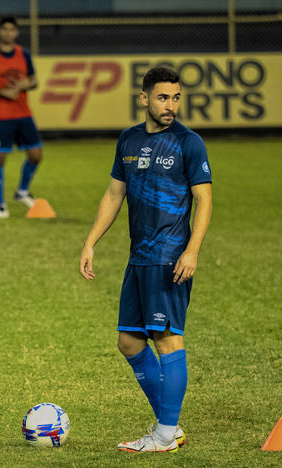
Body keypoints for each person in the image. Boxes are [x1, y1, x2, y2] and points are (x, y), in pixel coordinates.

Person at [79, 67, 213, 453]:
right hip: (138, 258)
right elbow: (113, 195)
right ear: (144, 98)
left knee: (167, 340)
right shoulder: (129, 140)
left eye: (175, 98)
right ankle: (169, 426)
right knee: (129, 342)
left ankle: (165, 434)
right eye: (162, 98)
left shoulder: (189, 143)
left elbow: (203, 199)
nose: (170, 105)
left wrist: (192, 250)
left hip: (169, 257)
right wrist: (91, 242)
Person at [0, 16, 43, 219]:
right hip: (2, 115)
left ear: (16, 32)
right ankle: (0, 205)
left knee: (36, 155)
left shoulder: (23, 54)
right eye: (4, 29)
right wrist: (2, 92)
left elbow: (33, 81)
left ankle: (22, 191)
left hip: (23, 113)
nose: (8, 33)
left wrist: (25, 85)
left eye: (12, 30)